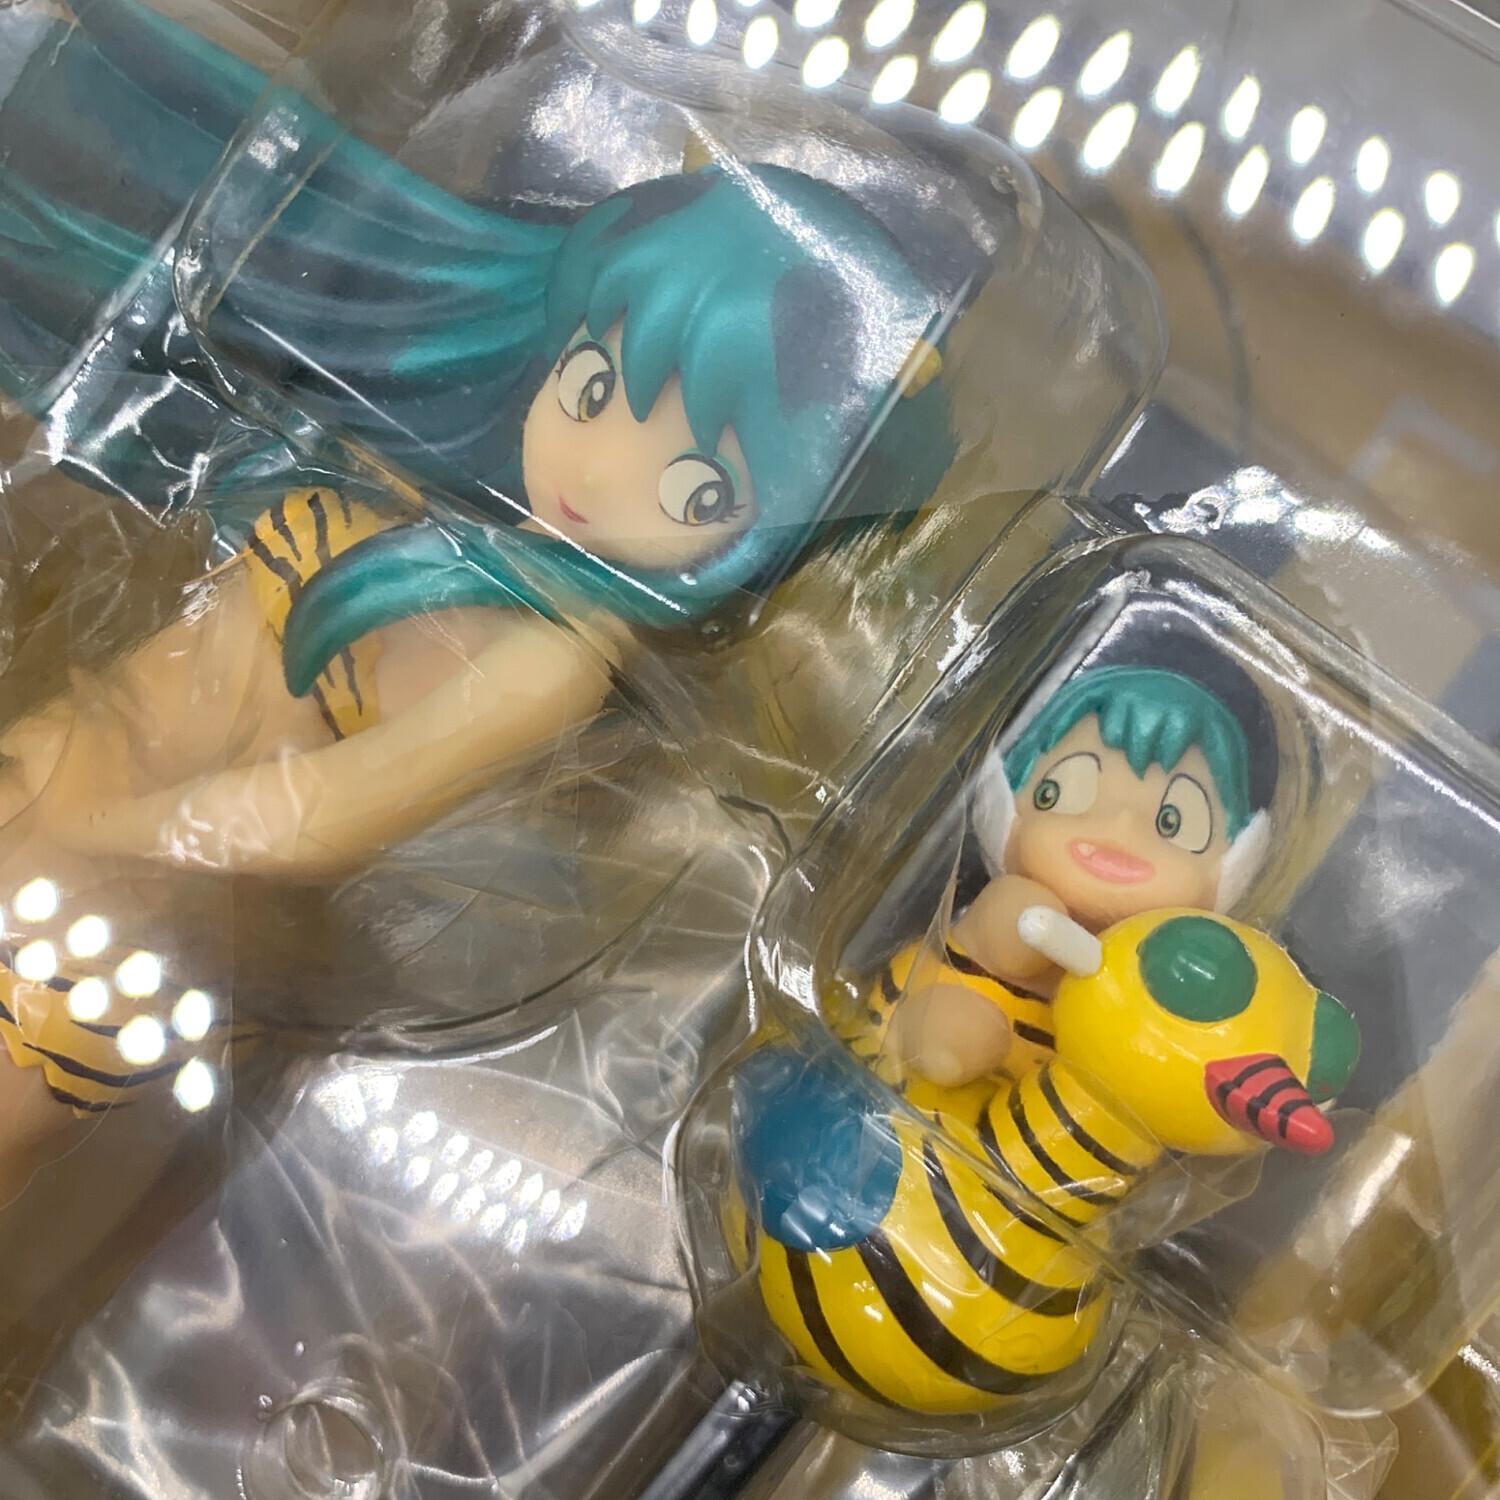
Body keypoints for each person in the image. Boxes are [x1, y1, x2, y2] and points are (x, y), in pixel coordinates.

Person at [0, 0, 972, 1177]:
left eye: (700, 487)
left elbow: (318, 815)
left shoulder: (552, 660)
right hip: (88, 770)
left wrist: (103, 836)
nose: (598, 469)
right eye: (595, 386)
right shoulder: (436, 503)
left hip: (136, 902)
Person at [883, 667, 1273, 1085]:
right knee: (962, 1029)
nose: (1122, 828)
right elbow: (1017, 939)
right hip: (913, 1038)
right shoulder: (1016, 900)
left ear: (1235, 863)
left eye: (1172, 823)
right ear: (1003, 805)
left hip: (1031, 1106)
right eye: (1061, 793)